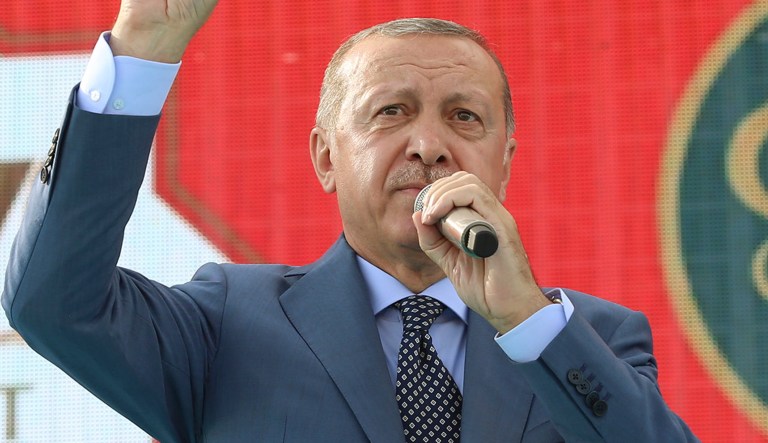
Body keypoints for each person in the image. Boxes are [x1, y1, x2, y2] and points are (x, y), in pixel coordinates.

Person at [2, 0, 698, 442]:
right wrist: (144, 41)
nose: (428, 144)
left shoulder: (592, 338)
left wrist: (526, 319)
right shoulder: (226, 325)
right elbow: (52, 302)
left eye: (464, 116)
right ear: (326, 156)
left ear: (504, 163)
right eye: (391, 112)